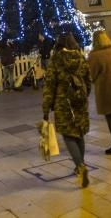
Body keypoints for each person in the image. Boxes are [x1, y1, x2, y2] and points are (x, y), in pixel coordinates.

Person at [42, 33, 92, 188]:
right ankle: (80, 165)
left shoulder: (56, 60)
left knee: (68, 135)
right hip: (80, 101)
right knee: (79, 132)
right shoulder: (81, 57)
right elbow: (88, 80)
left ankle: (80, 166)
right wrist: (84, 95)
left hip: (63, 102)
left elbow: (50, 85)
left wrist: (46, 108)